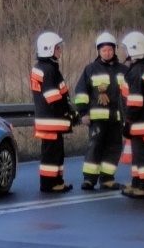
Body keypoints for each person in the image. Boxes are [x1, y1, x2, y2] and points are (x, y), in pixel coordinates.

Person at [72, 31, 125, 190]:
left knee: (114, 148)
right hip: (97, 119)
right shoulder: (91, 69)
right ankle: (89, 179)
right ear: (98, 51)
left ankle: (107, 179)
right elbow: (81, 92)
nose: (107, 53)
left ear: (115, 50)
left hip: (116, 118)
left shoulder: (123, 70)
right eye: (104, 50)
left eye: (110, 49)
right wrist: (83, 113)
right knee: (95, 147)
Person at [30, 31, 74, 193]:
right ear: (49, 49)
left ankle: (56, 181)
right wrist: (67, 113)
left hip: (47, 120)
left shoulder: (42, 68)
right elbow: (53, 97)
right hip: (52, 120)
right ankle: (50, 184)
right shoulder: (49, 70)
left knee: (54, 153)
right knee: (52, 154)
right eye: (57, 48)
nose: (60, 51)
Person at [118, 31, 144, 199]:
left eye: (127, 49)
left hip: (141, 124)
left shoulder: (136, 72)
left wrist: (128, 123)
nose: (125, 52)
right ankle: (137, 181)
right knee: (139, 155)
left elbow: (135, 102)